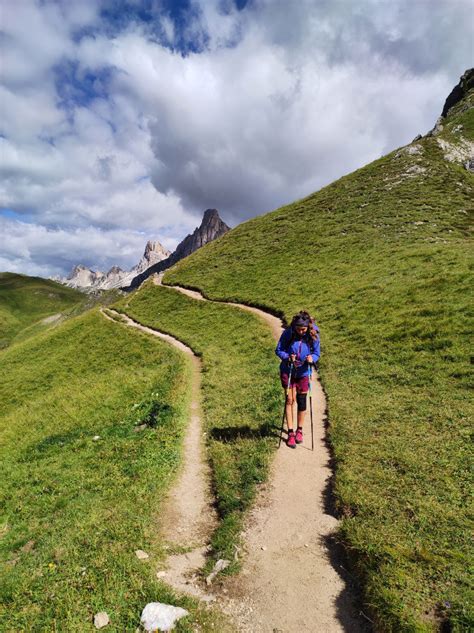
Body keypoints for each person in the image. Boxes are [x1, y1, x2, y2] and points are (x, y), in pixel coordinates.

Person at [275, 310, 320, 448]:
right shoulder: (289, 333)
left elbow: (316, 353)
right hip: (287, 372)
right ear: (295, 327)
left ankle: (299, 430)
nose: (301, 332)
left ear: (308, 327)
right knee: (290, 400)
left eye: (303, 329)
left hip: (303, 373)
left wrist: (312, 358)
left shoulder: (313, 334)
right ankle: (290, 433)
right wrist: (288, 357)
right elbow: (278, 349)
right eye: (299, 329)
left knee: (301, 402)